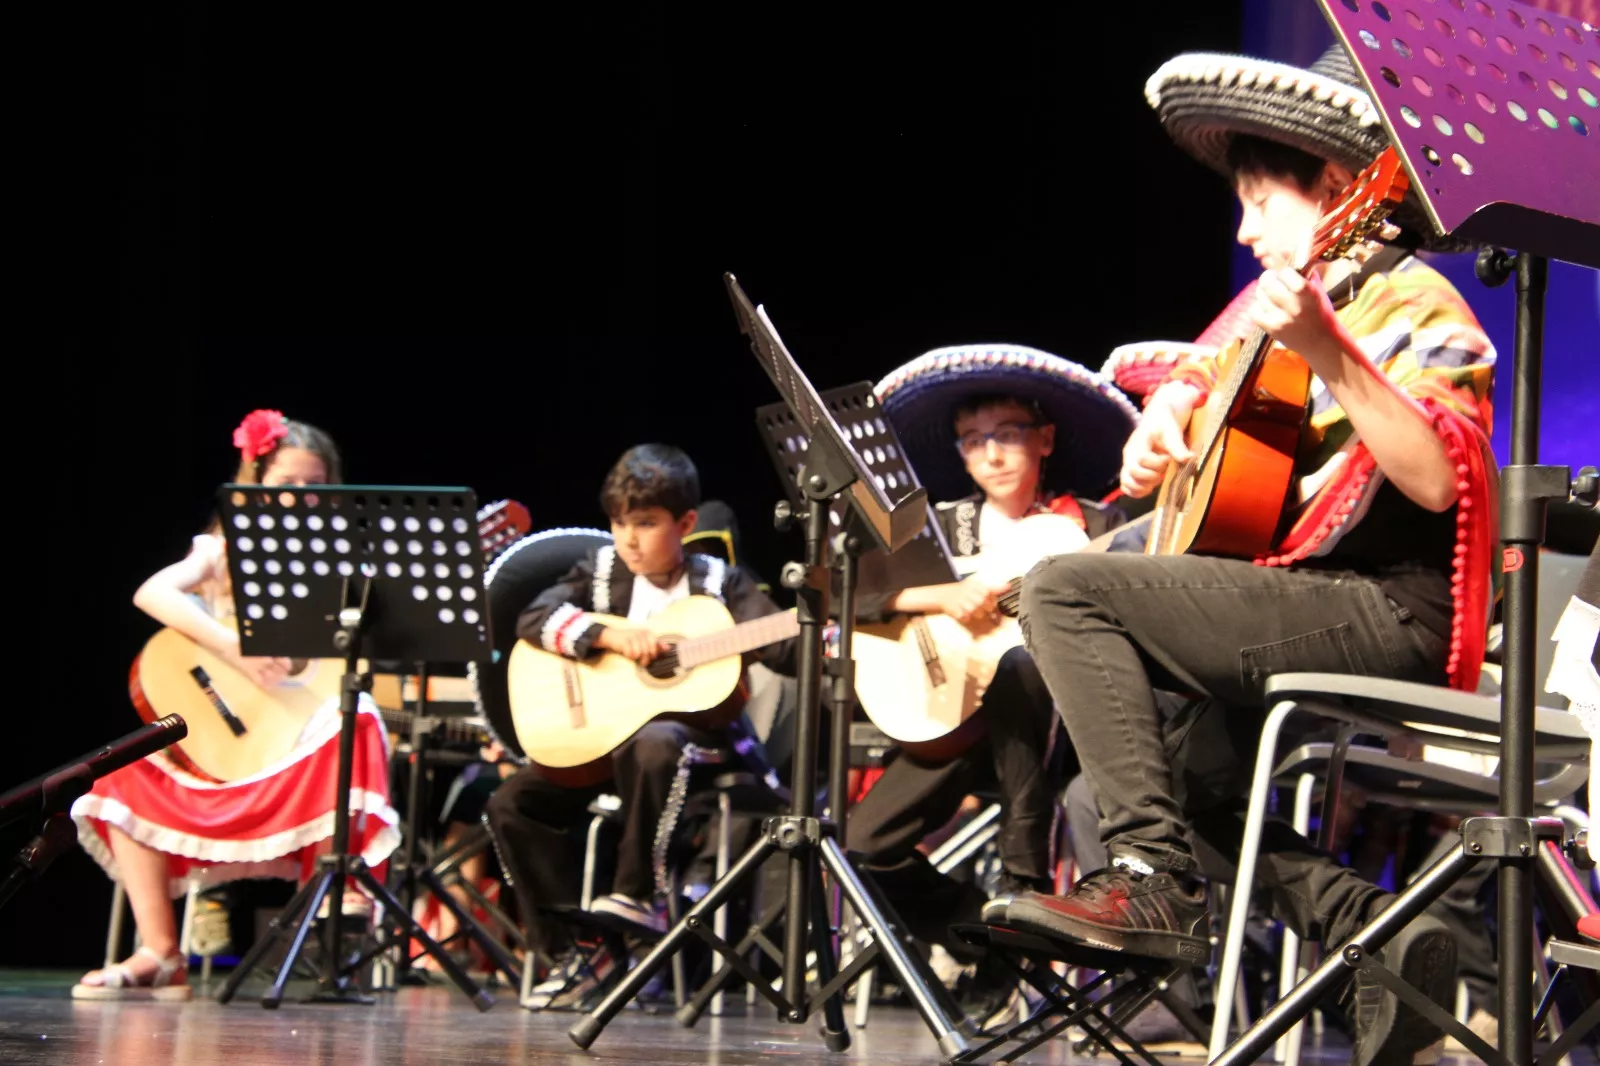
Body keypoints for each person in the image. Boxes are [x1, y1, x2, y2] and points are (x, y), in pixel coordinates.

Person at [994, 44, 1498, 1066]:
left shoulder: (1416, 306)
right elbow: (1206, 373)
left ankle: (1148, 878)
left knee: (1067, 589)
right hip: (1301, 596)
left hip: (1390, 609)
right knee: (1160, 775)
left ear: (1337, 190)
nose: (1241, 228)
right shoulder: (1277, 318)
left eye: (1261, 202)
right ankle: (1388, 938)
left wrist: (1328, 354)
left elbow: (1440, 478)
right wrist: (1167, 421)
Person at [71, 410, 400, 1000]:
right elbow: (152, 592)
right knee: (121, 779)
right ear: (254, 485)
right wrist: (236, 649)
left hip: (296, 753)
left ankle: (338, 902)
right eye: (287, 486)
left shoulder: (348, 569)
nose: (301, 500)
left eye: (316, 489)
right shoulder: (220, 552)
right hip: (226, 745)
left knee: (362, 719)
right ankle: (159, 954)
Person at [847, 345, 1136, 960]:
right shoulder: (941, 531)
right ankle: (988, 945)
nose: (993, 453)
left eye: (1008, 433)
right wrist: (937, 594)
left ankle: (1024, 880)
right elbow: (849, 591)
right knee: (865, 846)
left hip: (1060, 735)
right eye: (974, 441)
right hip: (954, 718)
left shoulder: (1092, 523)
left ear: (1046, 439)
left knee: (1023, 664)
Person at [483, 444, 794, 1004]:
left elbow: (783, 643)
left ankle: (636, 896)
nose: (628, 539)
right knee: (510, 802)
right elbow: (533, 617)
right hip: (606, 747)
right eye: (619, 523)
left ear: (686, 523)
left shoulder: (720, 584)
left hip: (696, 754)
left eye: (645, 524)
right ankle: (573, 954)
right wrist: (608, 636)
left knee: (656, 741)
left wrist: (829, 633)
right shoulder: (601, 573)